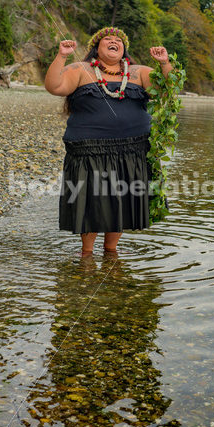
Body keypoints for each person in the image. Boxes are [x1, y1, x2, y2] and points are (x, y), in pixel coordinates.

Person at [44, 27, 172, 256]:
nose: (114, 42)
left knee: (120, 202)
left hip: (132, 151)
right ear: (96, 47)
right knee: (92, 202)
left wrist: (164, 63)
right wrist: (62, 55)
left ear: (124, 50)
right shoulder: (81, 70)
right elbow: (54, 87)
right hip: (89, 152)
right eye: (108, 40)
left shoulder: (139, 71)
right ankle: (86, 255)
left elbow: (168, 90)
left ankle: (111, 253)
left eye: (118, 41)